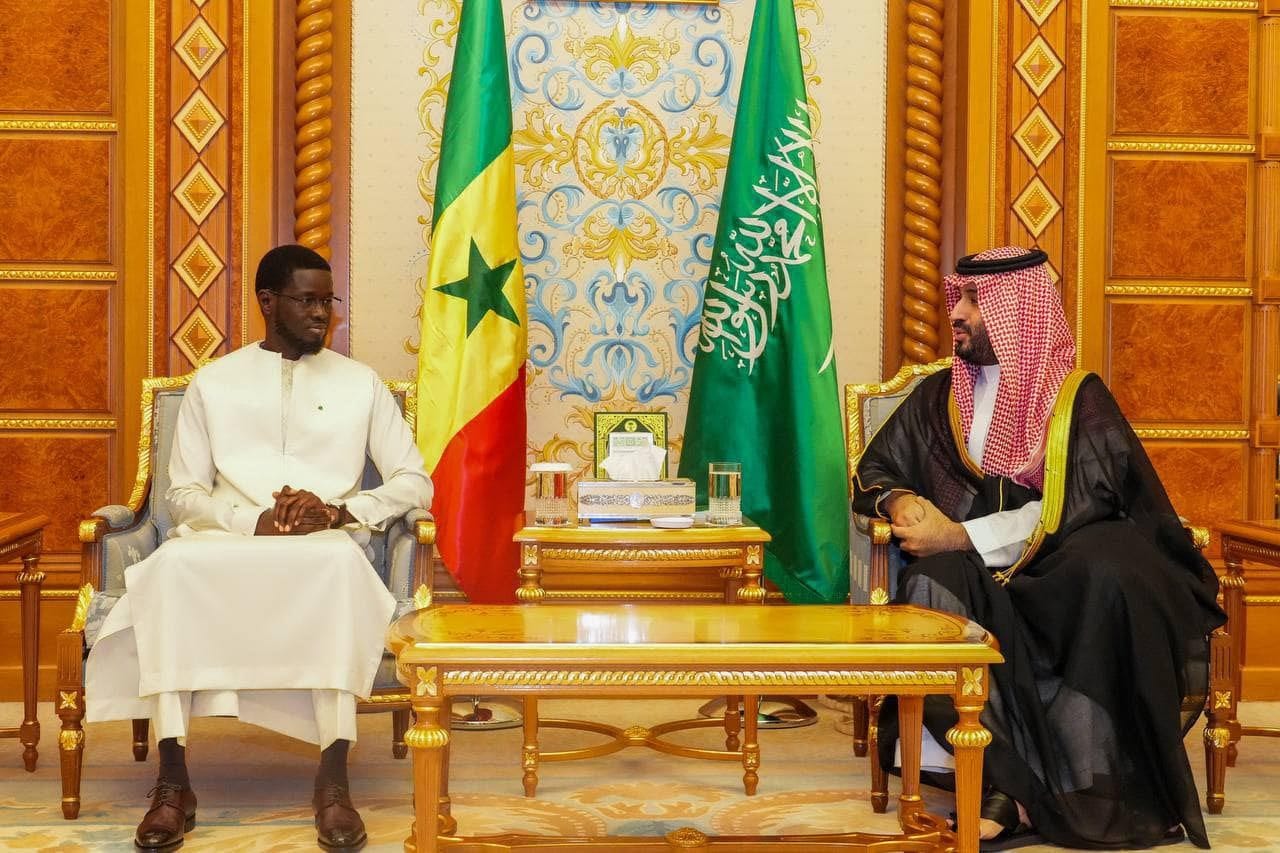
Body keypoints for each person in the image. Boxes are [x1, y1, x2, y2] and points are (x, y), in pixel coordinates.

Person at [851, 246, 1224, 850]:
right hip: (976, 569)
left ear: (1017, 312)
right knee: (928, 588)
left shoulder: (1078, 399)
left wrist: (960, 534)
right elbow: (877, 468)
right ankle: (1002, 785)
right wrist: (899, 500)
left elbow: (1085, 500)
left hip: (1064, 559)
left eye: (974, 301)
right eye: (959, 297)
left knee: (1109, 578)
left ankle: (1079, 784)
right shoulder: (941, 395)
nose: (957, 313)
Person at [86, 244, 433, 852]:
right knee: (171, 568)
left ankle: (333, 780)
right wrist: (255, 521)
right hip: (226, 541)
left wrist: (340, 511)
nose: (322, 314)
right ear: (268, 302)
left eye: (328, 302)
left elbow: (414, 481)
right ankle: (173, 782)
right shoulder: (214, 382)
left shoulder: (361, 383)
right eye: (307, 301)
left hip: (324, 543)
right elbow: (183, 494)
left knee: (337, 567)